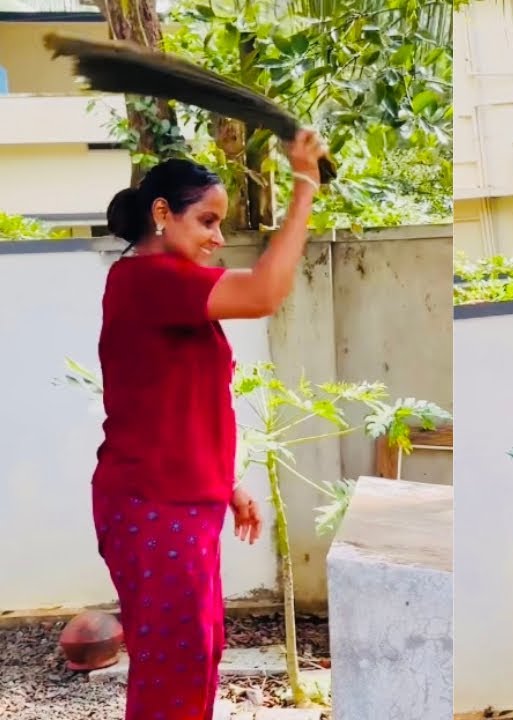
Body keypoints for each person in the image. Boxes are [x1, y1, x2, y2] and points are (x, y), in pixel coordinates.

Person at [91, 130, 327, 720]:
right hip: (152, 502)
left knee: (196, 653)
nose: (218, 238)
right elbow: (265, 291)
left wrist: (228, 482)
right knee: (176, 661)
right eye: (208, 221)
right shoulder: (146, 279)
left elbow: (179, 402)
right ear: (162, 213)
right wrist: (304, 188)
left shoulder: (166, 289)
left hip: (179, 500)